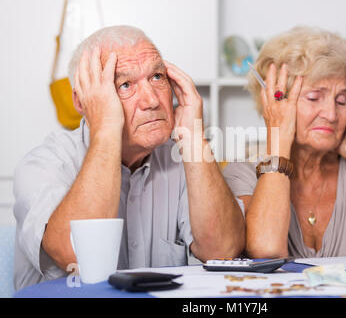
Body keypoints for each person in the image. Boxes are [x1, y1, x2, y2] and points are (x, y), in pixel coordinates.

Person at [13, 25, 245, 290]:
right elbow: (78, 256)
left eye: (157, 77)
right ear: (82, 102)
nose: (151, 101)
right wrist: (106, 128)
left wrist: (193, 137)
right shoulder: (44, 164)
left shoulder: (182, 158)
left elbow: (223, 251)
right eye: (125, 84)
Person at [223, 26, 346, 259]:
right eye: (314, 97)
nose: (331, 114)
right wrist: (279, 144)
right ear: (275, 104)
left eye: (341, 100)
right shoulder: (242, 175)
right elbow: (266, 250)